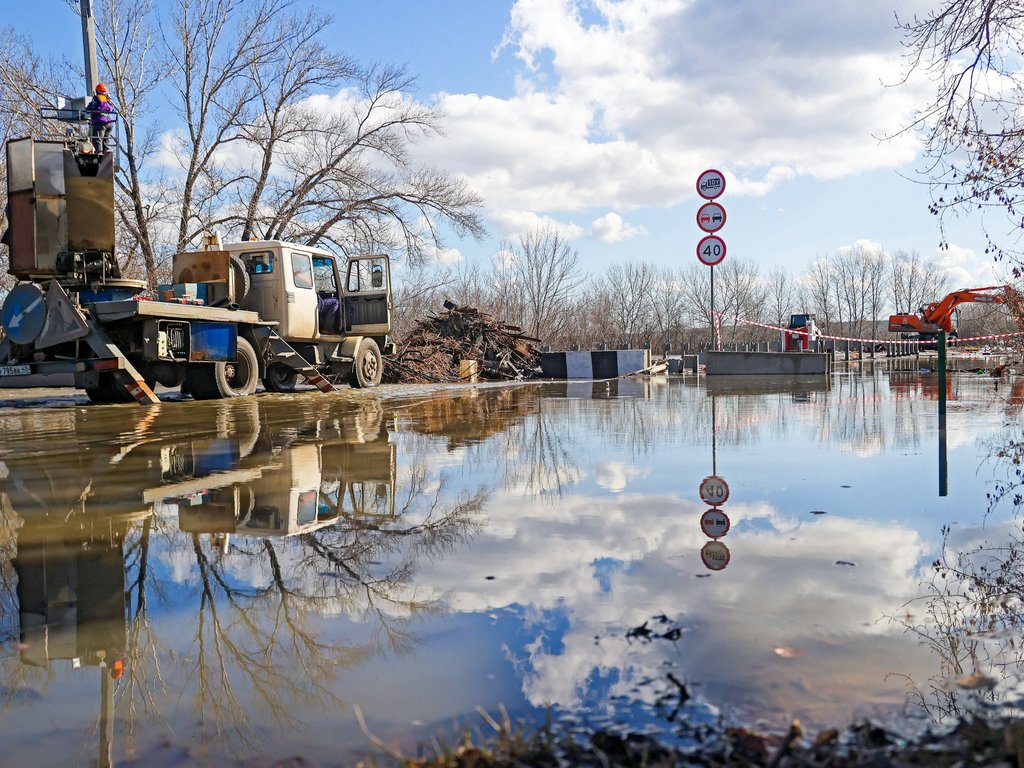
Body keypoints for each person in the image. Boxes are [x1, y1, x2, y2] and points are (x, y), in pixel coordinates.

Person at [86, 83, 115, 153]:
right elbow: (112, 109)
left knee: (97, 140)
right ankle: (106, 153)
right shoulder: (108, 99)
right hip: (109, 123)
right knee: (105, 141)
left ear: (97, 91)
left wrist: (87, 110)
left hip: (100, 122)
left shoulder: (97, 98)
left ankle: (98, 154)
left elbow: (91, 107)